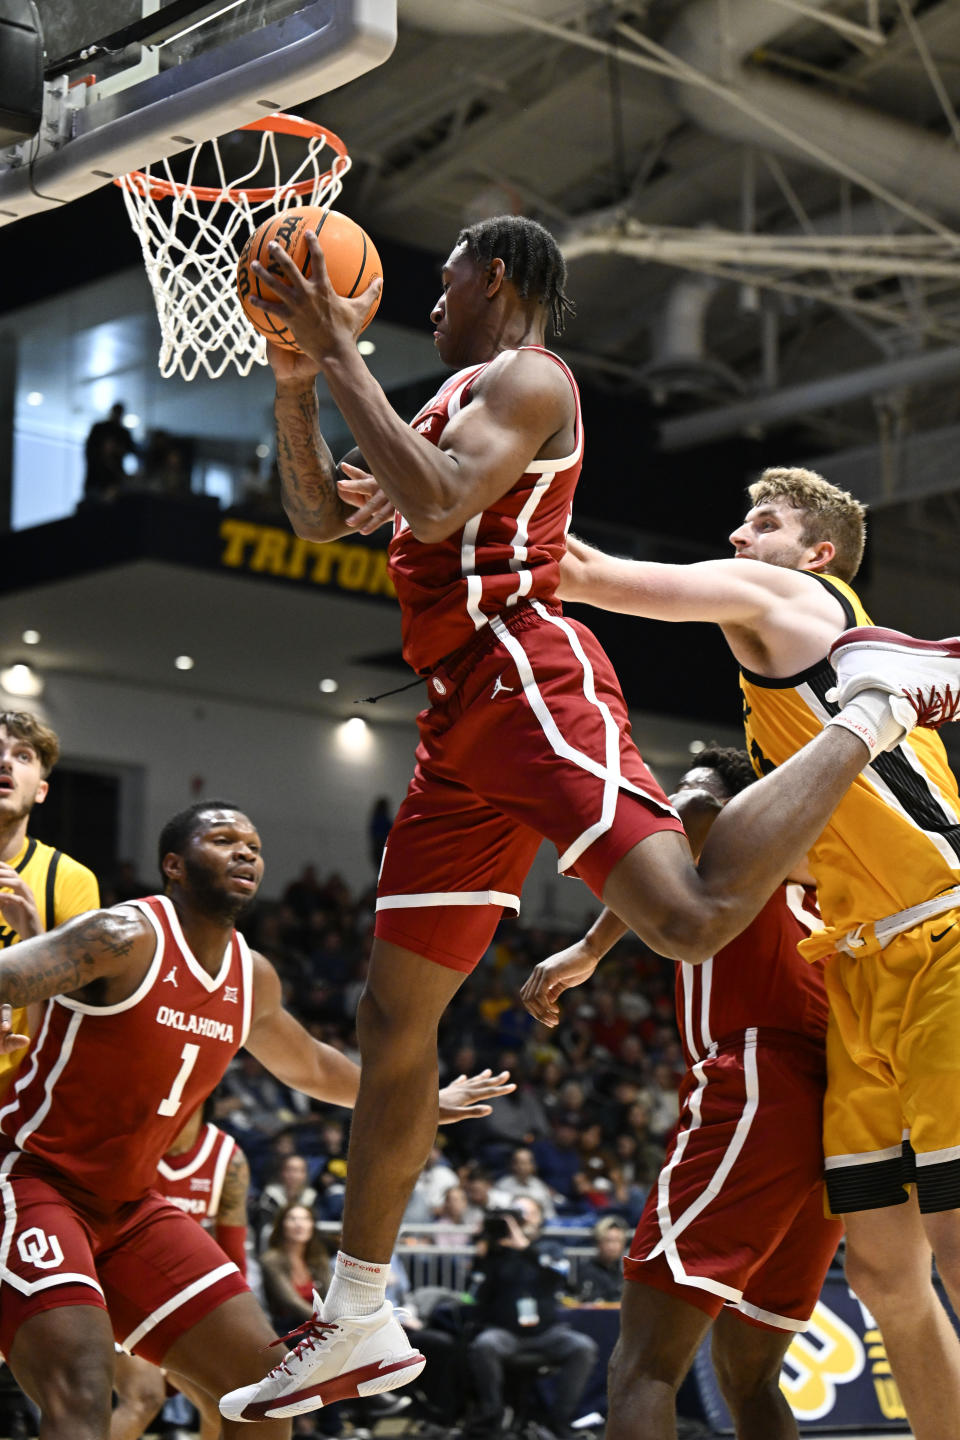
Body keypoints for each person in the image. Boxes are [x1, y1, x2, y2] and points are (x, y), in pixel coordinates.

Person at [229, 211, 960, 1419]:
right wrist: (299, 381)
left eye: (449, 282)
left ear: (499, 280)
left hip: (522, 672)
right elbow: (325, 516)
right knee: (393, 1008)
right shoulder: (448, 397)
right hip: (455, 709)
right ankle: (357, 1309)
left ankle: (873, 711)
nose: (429, 303)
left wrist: (345, 362)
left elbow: (444, 498)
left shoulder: (530, 375)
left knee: (689, 916)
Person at [521, 467, 960, 1440]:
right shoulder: (779, 714)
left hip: (945, 943)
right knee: (888, 1279)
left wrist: (455, 498)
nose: (737, 533)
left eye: (762, 523)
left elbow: (587, 571)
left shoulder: (792, 597)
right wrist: (602, 943)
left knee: (955, 1246)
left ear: (817, 556)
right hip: (857, 978)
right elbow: (742, 862)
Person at [0, 799, 513, 1440]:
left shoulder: (252, 976)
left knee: (270, 1392)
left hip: (130, 1207)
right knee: (80, 1391)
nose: (246, 852)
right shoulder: (119, 936)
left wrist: (419, 1103)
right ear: (175, 866)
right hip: (30, 1180)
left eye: (254, 845)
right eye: (223, 839)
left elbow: (315, 1068)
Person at [524, 747, 844, 1438]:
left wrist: (590, 944)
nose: (673, 803)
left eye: (689, 789)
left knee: (640, 1367)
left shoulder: (732, 836)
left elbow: (694, 816)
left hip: (760, 1082)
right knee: (749, 1376)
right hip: (833, 1112)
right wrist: (592, 946)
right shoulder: (812, 875)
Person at [110, 1101, 252, 1440]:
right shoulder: (134, 1142)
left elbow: (232, 1253)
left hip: (181, 1299)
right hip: (121, 1286)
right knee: (144, 1398)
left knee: (224, 1406)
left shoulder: (227, 1157)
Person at [0, 709, 100, 1091]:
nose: (5, 760)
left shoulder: (70, 880)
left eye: (23, 755)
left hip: (17, 1110)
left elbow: (75, 1029)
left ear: (41, 790)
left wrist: (36, 942)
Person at [462, 1195, 598, 1440]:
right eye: (517, 1214)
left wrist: (525, 1248)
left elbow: (564, 1277)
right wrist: (482, 1254)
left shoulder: (549, 1248)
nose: (521, 1221)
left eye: (527, 1214)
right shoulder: (497, 1252)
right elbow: (472, 1295)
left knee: (583, 1348)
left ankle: (558, 1420)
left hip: (547, 1332)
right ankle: (492, 1415)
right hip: (506, 1333)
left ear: (539, 1218)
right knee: (485, 1345)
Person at [260, 1203, 332, 1337]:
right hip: (288, 1329)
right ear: (282, 1225)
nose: (299, 1224)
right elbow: (290, 1301)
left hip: (320, 1325)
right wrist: (325, 1323)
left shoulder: (319, 1257)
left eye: (305, 1219)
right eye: (292, 1219)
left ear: (312, 1225)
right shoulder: (271, 1260)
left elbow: (330, 1294)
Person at [83, 402, 137, 502]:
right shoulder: (100, 429)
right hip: (96, 481)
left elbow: (134, 451)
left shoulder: (123, 433)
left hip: (113, 483)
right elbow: (89, 452)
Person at [577, 1217, 629, 1305]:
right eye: (608, 1241)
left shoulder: (625, 1271)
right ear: (598, 1242)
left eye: (617, 1241)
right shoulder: (586, 1270)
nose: (612, 1247)